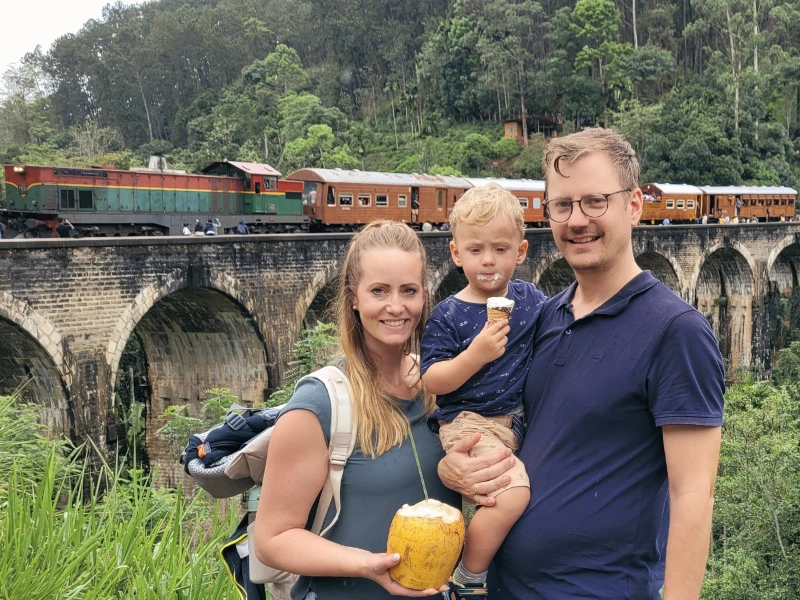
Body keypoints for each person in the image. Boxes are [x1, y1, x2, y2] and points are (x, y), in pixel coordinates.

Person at [438, 128, 724, 600]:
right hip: (508, 589)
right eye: (562, 205)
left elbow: (693, 497)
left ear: (633, 205)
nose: (577, 220)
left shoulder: (676, 331)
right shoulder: (543, 317)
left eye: (595, 201)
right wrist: (454, 467)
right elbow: (492, 414)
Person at [253, 220, 459, 600]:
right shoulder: (320, 405)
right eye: (379, 290)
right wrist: (368, 565)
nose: (396, 306)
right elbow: (272, 540)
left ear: (424, 296)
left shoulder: (437, 387)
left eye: (408, 291)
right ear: (354, 297)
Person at [420, 184, 545, 596]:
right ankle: (469, 578)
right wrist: (476, 355)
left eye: (500, 249)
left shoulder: (528, 298)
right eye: (475, 250)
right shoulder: (449, 315)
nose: (488, 260)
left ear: (521, 252)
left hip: (517, 421)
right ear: (457, 254)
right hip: (469, 423)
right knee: (511, 496)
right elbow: (433, 380)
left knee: (516, 498)